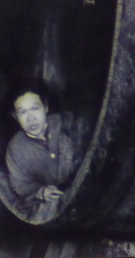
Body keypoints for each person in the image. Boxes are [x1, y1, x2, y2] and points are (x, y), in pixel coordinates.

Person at [5, 83, 80, 219]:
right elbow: (21, 185)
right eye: (23, 112)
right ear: (15, 116)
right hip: (58, 213)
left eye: (35, 108)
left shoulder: (67, 123)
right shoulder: (15, 149)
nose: (31, 118)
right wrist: (41, 192)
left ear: (46, 107)